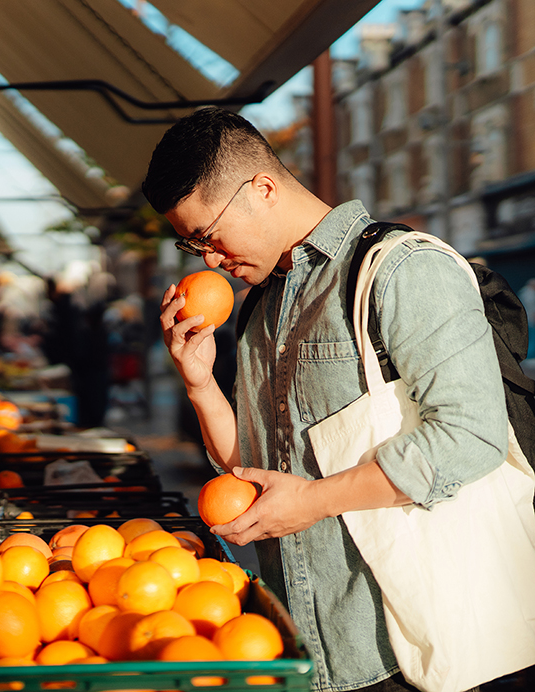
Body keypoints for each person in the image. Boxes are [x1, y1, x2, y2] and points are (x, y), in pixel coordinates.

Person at [141, 107, 518, 692]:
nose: (210, 260)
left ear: (262, 189)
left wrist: (316, 500)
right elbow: (254, 463)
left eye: (208, 236)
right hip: (301, 646)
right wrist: (199, 382)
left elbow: (473, 434)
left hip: (407, 652)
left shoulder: (402, 269)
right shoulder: (262, 307)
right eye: (194, 248)